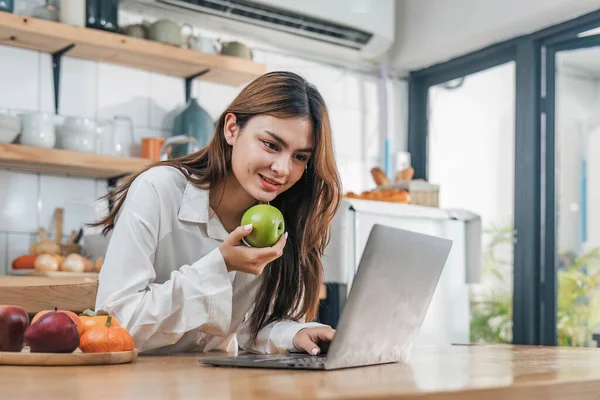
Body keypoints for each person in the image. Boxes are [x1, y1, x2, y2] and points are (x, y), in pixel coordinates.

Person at [92, 71, 342, 356]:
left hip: (215, 384)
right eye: (271, 145)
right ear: (232, 129)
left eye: (300, 157)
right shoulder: (159, 190)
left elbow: (253, 328)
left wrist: (296, 334)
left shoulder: (286, 217)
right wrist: (220, 265)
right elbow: (115, 324)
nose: (283, 169)